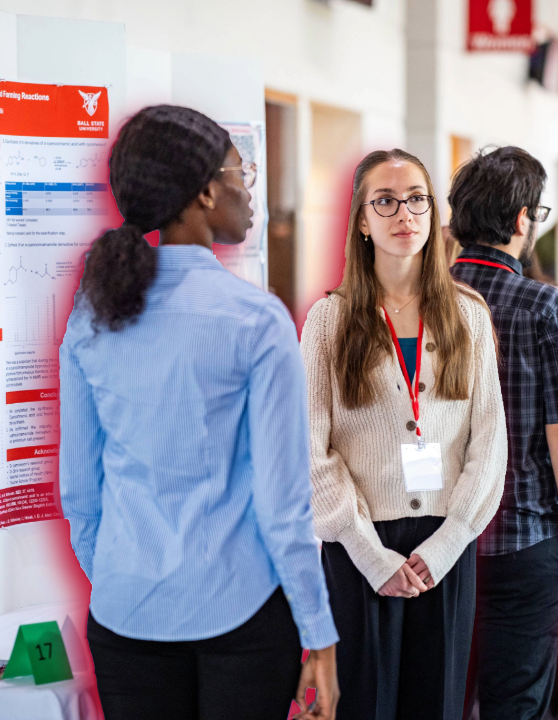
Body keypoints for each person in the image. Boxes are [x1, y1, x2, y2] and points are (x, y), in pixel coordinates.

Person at [59, 105, 339, 720]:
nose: (249, 190)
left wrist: (125, 571)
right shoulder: (256, 320)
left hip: (124, 611)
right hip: (240, 617)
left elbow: (80, 495)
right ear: (207, 191)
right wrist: (318, 629)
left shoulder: (91, 317)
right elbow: (282, 503)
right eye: (243, 173)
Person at [301, 148, 506, 720]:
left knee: (438, 703)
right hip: (360, 545)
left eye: (417, 199)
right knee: (365, 704)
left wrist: (447, 543)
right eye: (384, 201)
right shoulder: (329, 320)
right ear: (362, 221)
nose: (403, 214)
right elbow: (311, 449)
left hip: (446, 544)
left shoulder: (468, 313)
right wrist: (371, 555)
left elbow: (490, 440)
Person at [448, 147, 558, 720]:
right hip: (524, 542)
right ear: (520, 221)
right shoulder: (546, 307)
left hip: (432, 544)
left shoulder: (421, 301)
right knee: (518, 705)